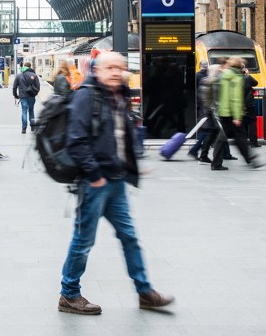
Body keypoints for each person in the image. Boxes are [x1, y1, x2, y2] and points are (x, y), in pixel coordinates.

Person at [59, 51, 173, 315]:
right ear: (97, 70)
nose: (115, 72)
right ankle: (69, 294)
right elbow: (76, 139)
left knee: (129, 237)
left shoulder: (119, 96)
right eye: (109, 67)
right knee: (83, 240)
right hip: (95, 183)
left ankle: (145, 292)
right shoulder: (86, 96)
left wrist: (131, 165)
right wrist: (94, 174)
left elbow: (122, 134)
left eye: (119, 68)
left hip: (117, 180)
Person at [210, 57, 266, 171]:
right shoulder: (236, 78)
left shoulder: (225, 75)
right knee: (238, 138)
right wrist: (237, 116)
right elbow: (235, 98)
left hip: (223, 110)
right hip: (231, 113)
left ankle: (218, 162)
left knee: (229, 138)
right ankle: (250, 160)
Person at [13, 59, 41, 133]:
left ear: (24, 67)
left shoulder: (19, 75)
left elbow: (14, 87)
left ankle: (24, 128)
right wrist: (35, 93)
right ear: (30, 67)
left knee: (24, 111)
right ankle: (32, 127)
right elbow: (38, 86)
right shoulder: (34, 75)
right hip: (31, 96)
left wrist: (15, 95)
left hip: (23, 96)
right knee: (31, 110)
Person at [243, 66, 260, 148]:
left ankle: (243, 141)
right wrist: (247, 74)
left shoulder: (234, 78)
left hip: (239, 105)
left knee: (242, 123)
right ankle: (253, 142)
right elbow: (255, 83)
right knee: (252, 122)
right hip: (249, 104)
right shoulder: (247, 77)